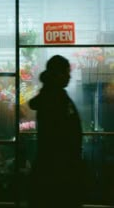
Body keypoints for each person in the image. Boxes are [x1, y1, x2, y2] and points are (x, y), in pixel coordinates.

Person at [27, 55, 83, 208]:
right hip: (59, 169)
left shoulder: (53, 95)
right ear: (57, 74)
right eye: (66, 72)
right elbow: (60, 135)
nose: (69, 77)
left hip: (53, 166)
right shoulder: (55, 97)